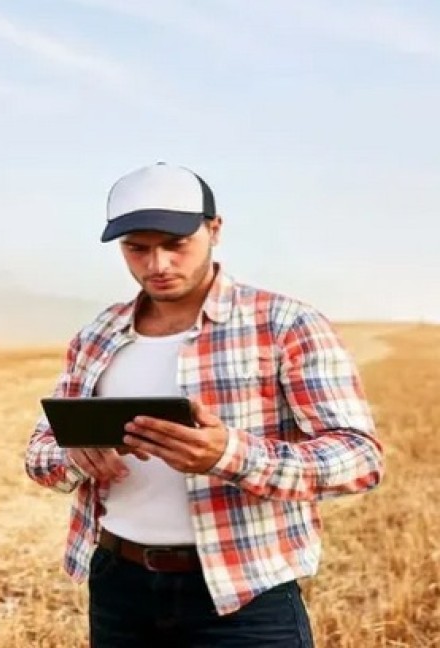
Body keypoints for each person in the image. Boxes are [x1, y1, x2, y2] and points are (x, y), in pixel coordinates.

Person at [24, 162, 384, 647]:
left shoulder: (285, 324)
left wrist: (228, 455)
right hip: (118, 586)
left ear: (214, 230)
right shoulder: (98, 334)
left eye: (176, 245)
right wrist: (73, 456)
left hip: (245, 595)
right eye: (138, 249)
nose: (158, 265)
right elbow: (40, 449)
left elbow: (359, 458)